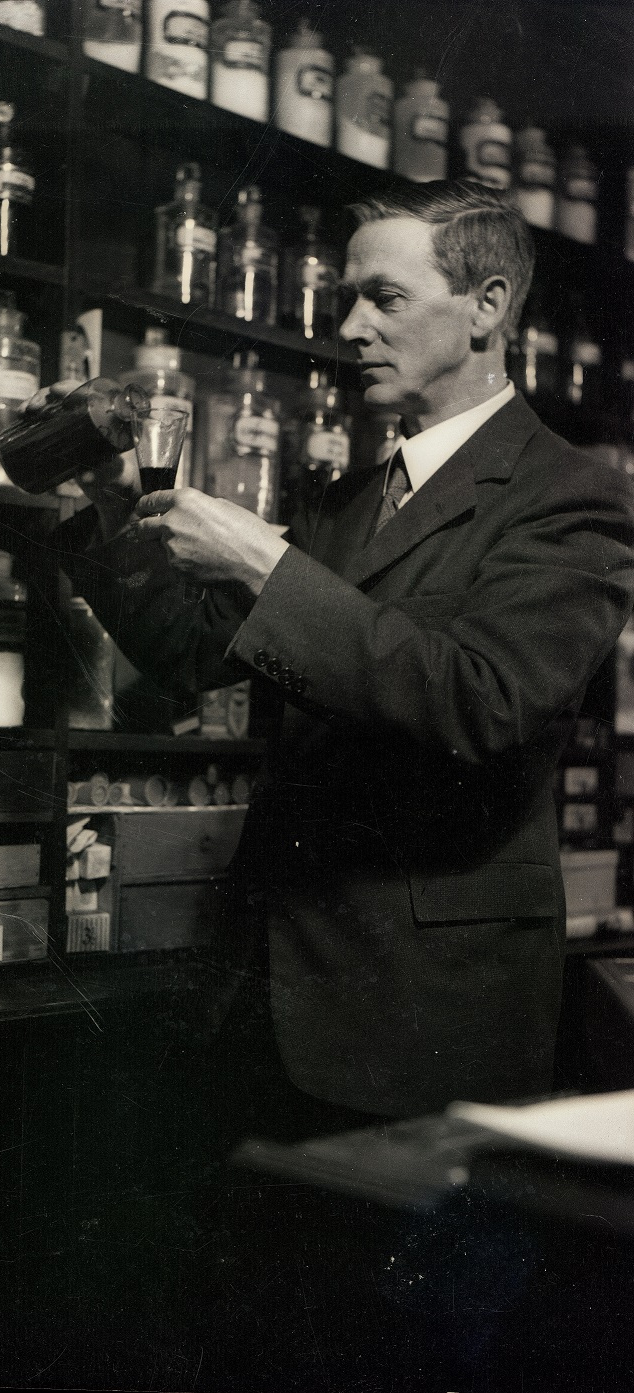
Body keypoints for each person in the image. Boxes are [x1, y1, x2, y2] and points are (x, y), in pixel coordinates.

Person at [55, 179, 634, 1126]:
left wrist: (265, 562)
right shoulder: (345, 499)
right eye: (347, 300)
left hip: (423, 1014)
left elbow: (479, 699)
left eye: (385, 299)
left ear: (487, 307)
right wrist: (112, 501)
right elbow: (190, 657)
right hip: (267, 988)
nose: (351, 327)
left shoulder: (571, 495)